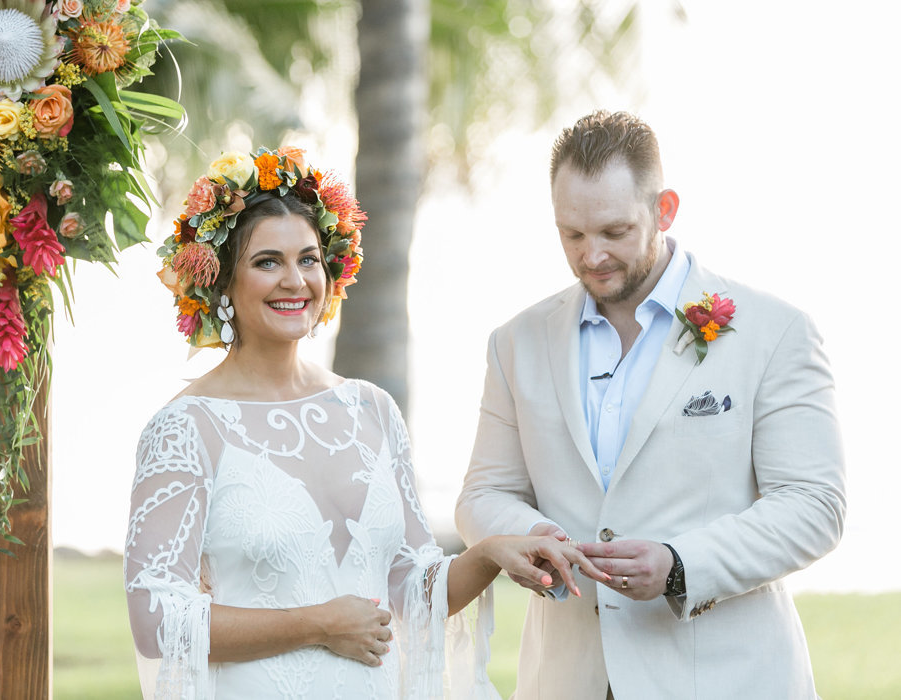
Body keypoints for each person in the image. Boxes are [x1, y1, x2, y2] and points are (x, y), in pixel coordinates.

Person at [124, 147, 607, 699]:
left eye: (308, 259)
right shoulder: (186, 427)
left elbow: (411, 587)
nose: (295, 280)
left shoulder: (370, 409)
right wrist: (318, 625)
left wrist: (490, 552)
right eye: (266, 262)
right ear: (221, 283)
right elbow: (155, 617)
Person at [455, 111, 846, 699]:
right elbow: (483, 494)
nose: (592, 256)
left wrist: (679, 564)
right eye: (572, 234)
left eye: (615, 232)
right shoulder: (516, 343)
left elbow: (815, 505)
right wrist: (531, 534)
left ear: (664, 210)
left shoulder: (775, 331)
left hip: (726, 679)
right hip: (567, 680)